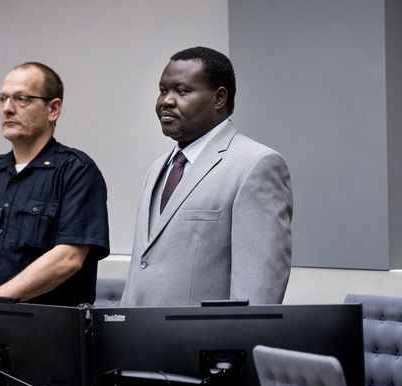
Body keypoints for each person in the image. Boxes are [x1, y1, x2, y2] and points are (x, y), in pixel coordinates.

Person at [121, 46, 292, 306]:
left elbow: (257, 295)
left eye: (181, 91)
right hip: (139, 331)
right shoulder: (158, 168)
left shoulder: (256, 165)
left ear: (219, 98)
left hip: (201, 334)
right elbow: (143, 267)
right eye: (163, 90)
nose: (166, 101)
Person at [0, 62, 110, 306]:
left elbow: (68, 258)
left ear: (53, 109)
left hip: (44, 326)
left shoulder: (76, 171)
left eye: (22, 99)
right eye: (2, 99)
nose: (7, 109)